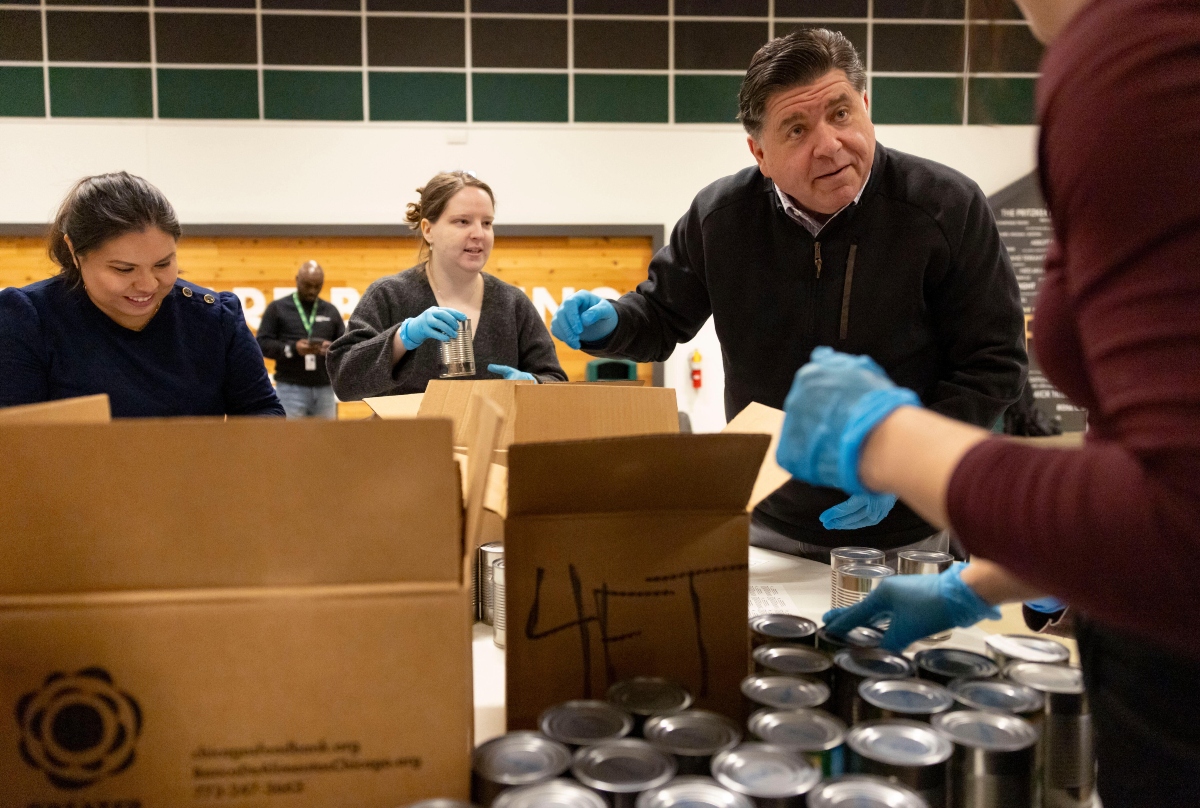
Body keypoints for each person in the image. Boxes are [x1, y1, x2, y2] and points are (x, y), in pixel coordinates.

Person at [776, 0, 1200, 803]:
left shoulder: (1141, 50)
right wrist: (980, 584)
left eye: (840, 113)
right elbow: (1164, 451)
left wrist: (890, 440)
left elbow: (1182, 517)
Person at [552, 30, 1026, 561]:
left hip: (906, 529)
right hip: (768, 518)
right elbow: (661, 314)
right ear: (760, 152)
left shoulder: (946, 207)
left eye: (841, 114)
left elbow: (993, 363)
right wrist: (611, 323)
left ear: (866, 106)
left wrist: (908, 467)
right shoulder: (721, 218)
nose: (828, 144)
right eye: (796, 129)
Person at [0, 172, 283, 418]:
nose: (147, 285)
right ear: (74, 252)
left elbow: (262, 409)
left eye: (163, 264)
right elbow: (17, 439)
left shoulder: (214, 318)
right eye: (124, 269)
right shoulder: (30, 318)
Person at [328, 171, 566, 398]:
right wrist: (402, 338)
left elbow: (556, 382)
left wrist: (533, 384)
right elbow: (344, 381)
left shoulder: (513, 303)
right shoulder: (390, 295)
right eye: (463, 221)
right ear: (428, 230)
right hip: (405, 440)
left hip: (490, 441)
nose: (478, 234)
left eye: (486, 223)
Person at [257, 260, 346, 419]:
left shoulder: (331, 311)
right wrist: (292, 349)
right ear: (297, 279)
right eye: (307, 285)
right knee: (291, 441)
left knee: (327, 442)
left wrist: (332, 349)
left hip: (325, 388)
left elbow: (346, 346)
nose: (312, 291)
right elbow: (261, 343)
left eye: (317, 286)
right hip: (290, 389)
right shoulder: (278, 308)